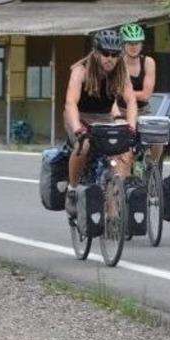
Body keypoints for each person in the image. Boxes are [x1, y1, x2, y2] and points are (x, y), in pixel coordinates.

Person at [64, 30, 138, 214]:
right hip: (79, 115)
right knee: (85, 145)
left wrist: (131, 127)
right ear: (96, 53)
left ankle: (113, 214)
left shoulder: (121, 73)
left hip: (104, 117)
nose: (109, 59)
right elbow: (70, 102)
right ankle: (72, 189)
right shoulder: (80, 71)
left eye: (114, 55)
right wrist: (78, 129)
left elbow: (130, 101)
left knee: (121, 151)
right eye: (105, 54)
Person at [115, 23, 163, 162]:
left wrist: (123, 92)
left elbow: (146, 95)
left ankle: (152, 169)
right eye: (130, 43)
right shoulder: (117, 63)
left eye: (137, 43)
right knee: (123, 146)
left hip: (143, 111)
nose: (133, 46)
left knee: (158, 139)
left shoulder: (148, 62)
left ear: (141, 45)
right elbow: (111, 93)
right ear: (123, 44)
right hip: (121, 110)